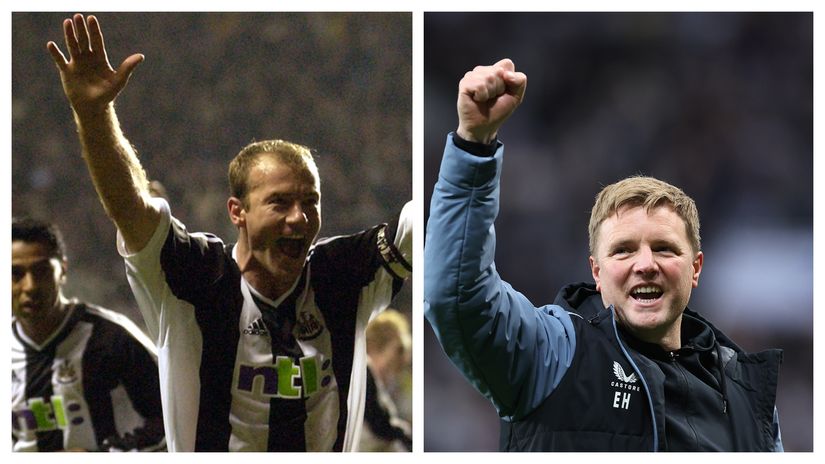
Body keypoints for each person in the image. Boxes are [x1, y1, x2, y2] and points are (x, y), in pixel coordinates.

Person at [46, 14, 412, 452]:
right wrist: (94, 113)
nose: (299, 218)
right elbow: (131, 208)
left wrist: (475, 145)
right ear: (237, 211)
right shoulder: (195, 277)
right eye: (279, 202)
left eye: (310, 201)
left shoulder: (342, 276)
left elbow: (419, 221)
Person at [424, 58, 783, 451]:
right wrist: (473, 146)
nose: (645, 265)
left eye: (663, 249)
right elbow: (457, 297)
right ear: (596, 272)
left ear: (696, 267)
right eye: (623, 251)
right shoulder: (553, 354)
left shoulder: (746, 397)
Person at [12, 217, 165, 452]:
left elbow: (173, 416)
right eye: (15, 274)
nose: (30, 286)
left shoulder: (112, 338)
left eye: (42, 271)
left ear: (62, 269)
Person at [360, 309, 413, 451]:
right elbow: (380, 425)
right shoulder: (362, 369)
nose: (389, 377)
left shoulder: (376, 387)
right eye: (390, 366)